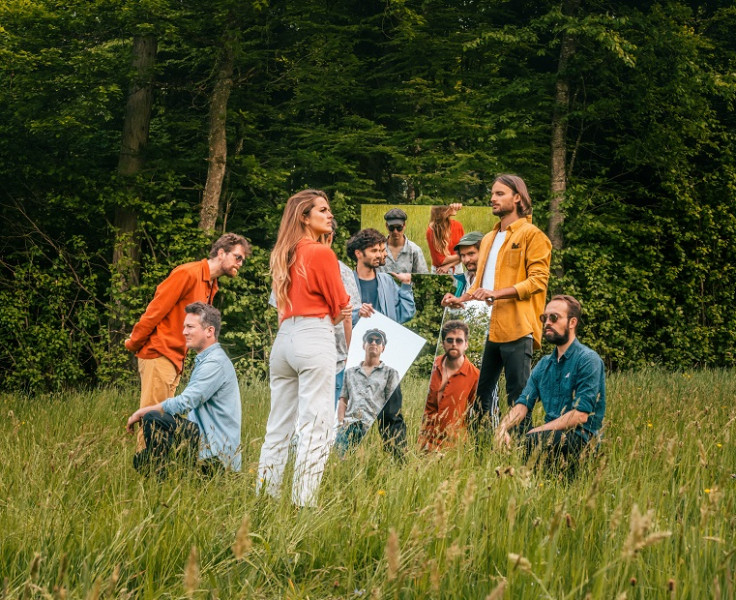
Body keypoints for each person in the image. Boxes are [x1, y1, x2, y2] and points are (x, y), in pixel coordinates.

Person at [257, 189, 351, 507]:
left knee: (278, 427)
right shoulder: (321, 253)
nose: (330, 214)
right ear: (304, 216)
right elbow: (340, 308)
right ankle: (303, 503)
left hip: (284, 339)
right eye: (322, 210)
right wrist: (338, 308)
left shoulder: (282, 254)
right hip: (314, 335)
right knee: (316, 426)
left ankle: (265, 497)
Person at [125, 233, 251, 457]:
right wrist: (134, 342)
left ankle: (159, 468)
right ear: (221, 253)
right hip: (159, 353)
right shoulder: (188, 273)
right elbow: (156, 309)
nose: (240, 263)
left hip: (175, 360)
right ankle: (146, 469)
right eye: (238, 257)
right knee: (152, 420)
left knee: (162, 421)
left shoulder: (211, 286)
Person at [448, 174, 551, 430]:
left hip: (517, 328)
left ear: (517, 198)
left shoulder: (532, 235)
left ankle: (522, 449)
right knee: (478, 396)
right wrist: (459, 299)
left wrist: (497, 293)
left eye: (500, 193)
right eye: (492, 194)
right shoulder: (488, 238)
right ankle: (482, 449)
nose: (493, 198)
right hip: (487, 330)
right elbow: (478, 285)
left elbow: (538, 281)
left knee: (518, 397)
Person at [126, 302, 242, 475]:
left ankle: (164, 479)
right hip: (201, 440)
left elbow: (185, 403)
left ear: (209, 331)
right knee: (142, 460)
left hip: (215, 455)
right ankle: (170, 473)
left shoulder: (215, 363)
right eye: (184, 327)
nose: (184, 332)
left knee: (154, 418)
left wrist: (142, 412)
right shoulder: (207, 360)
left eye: (190, 327)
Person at [495, 295, 605, 473]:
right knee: (512, 431)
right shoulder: (544, 364)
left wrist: (536, 432)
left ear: (572, 322)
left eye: (554, 317)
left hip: (580, 440)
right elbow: (523, 404)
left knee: (533, 439)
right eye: (544, 318)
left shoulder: (588, 360)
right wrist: (501, 429)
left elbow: (580, 415)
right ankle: (517, 477)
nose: (547, 323)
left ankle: (529, 477)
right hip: (548, 437)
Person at [347, 228, 416, 456]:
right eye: (374, 250)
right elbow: (335, 315)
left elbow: (404, 314)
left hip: (386, 358)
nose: (381, 254)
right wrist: (357, 313)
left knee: (391, 414)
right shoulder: (346, 281)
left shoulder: (387, 281)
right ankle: (345, 461)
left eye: (382, 250)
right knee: (353, 414)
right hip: (354, 358)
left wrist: (406, 285)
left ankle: (398, 461)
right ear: (359, 253)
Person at [335, 329, 400, 455]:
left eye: (378, 341)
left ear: (383, 348)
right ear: (364, 345)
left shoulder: (390, 373)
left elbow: (392, 405)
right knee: (339, 461)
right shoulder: (349, 373)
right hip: (348, 427)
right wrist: (341, 423)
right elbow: (343, 399)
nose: (373, 343)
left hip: (372, 428)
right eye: (370, 340)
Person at [418, 320, 480, 452]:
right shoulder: (432, 366)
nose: (454, 344)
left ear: (466, 345)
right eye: (450, 340)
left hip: (451, 448)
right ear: (443, 343)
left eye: (459, 341)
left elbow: (476, 414)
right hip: (423, 442)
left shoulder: (475, 376)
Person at [380, 208, 429, 274]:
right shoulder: (378, 249)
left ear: (404, 225)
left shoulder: (414, 250)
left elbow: (422, 275)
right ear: (386, 226)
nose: (395, 231)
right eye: (391, 228)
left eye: (399, 228)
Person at [441, 231, 484, 301]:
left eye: (471, 253)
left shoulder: (491, 279)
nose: (466, 260)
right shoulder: (462, 279)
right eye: (463, 255)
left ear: (484, 252)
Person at [426, 204, 465, 274]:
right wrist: (462, 255)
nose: (454, 207)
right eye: (451, 205)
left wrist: (449, 265)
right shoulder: (432, 230)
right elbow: (441, 261)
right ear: (444, 210)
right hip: (440, 271)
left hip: (458, 268)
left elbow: (465, 252)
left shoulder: (458, 225)